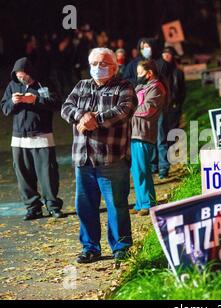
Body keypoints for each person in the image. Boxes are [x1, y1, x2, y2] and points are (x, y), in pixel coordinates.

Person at [61, 48, 137, 264]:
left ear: (114, 67)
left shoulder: (124, 87)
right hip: (83, 159)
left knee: (116, 205)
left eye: (103, 63)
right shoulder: (81, 85)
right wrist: (81, 116)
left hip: (111, 159)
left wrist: (96, 119)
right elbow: (66, 107)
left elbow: (124, 110)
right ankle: (90, 247)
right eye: (94, 63)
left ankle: (121, 247)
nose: (97, 67)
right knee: (84, 206)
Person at [0, 57, 64, 220]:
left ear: (30, 72)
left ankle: (53, 206)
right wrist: (13, 102)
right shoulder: (13, 85)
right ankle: (33, 207)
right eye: (18, 76)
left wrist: (35, 100)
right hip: (19, 138)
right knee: (23, 175)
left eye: (23, 75)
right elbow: (5, 108)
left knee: (48, 174)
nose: (21, 78)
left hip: (42, 136)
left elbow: (56, 103)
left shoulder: (44, 83)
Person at [123, 37, 172, 179]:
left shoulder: (161, 64)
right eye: (143, 46)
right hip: (141, 110)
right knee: (147, 139)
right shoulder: (133, 64)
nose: (146, 49)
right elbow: (126, 80)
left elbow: (168, 82)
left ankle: (163, 166)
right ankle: (153, 164)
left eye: (148, 46)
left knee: (161, 136)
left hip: (156, 106)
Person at [130, 60, 167, 216]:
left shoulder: (157, 87)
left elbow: (148, 109)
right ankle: (140, 203)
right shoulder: (142, 86)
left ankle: (148, 203)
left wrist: (129, 109)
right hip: (133, 132)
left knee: (142, 170)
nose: (138, 76)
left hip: (143, 133)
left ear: (149, 73)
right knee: (136, 171)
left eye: (140, 73)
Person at [162, 46, 186, 132]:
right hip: (161, 106)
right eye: (164, 53)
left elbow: (182, 89)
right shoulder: (158, 71)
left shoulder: (178, 72)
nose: (166, 56)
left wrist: (178, 102)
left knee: (172, 130)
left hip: (174, 105)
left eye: (169, 54)